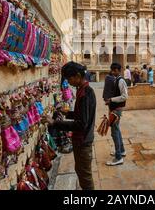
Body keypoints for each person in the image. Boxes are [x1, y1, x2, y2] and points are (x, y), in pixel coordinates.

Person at [42, 62, 96, 190]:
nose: (69, 82)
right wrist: (68, 113)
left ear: (77, 76)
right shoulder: (83, 90)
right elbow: (83, 115)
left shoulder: (85, 93)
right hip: (83, 139)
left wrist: (55, 123)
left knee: (85, 177)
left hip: (83, 140)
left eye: (69, 79)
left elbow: (82, 124)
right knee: (81, 171)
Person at [105, 63, 128, 166]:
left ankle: (118, 157)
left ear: (118, 70)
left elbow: (124, 96)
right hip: (115, 108)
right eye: (112, 70)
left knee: (114, 132)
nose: (112, 72)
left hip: (117, 109)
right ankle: (121, 151)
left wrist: (111, 100)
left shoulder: (121, 80)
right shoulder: (116, 79)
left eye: (114, 70)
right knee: (117, 130)